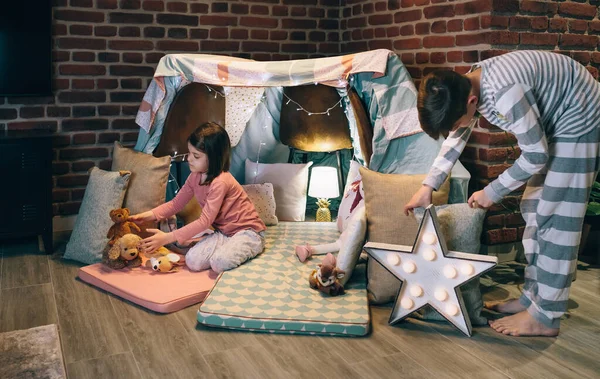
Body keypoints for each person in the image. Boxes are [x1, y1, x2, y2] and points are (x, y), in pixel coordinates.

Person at [403, 50, 600, 337]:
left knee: (557, 217)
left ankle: (546, 317)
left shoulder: (506, 92)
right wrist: (427, 187)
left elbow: (535, 154)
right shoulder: (463, 86)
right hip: (557, 122)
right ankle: (532, 299)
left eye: (455, 123)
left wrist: (491, 192)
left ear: (471, 102)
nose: (455, 130)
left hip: (581, 119)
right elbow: (456, 138)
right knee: (533, 208)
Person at [130, 122, 266, 273]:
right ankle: (227, 245)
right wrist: (147, 216)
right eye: (189, 153)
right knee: (192, 262)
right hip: (224, 233)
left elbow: (204, 222)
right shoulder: (195, 177)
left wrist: (168, 237)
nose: (189, 159)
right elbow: (175, 204)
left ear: (214, 158)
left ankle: (254, 244)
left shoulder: (221, 182)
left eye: (196, 156)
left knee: (219, 263)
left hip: (247, 231)